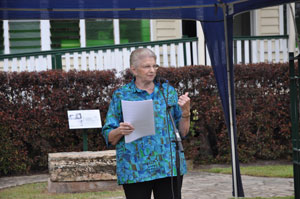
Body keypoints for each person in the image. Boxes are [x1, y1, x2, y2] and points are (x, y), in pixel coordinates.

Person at [102, 48, 190, 199]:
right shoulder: (121, 95)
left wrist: (186, 113)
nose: (152, 70)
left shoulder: (167, 91)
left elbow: (182, 133)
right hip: (135, 169)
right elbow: (109, 136)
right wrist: (119, 131)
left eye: (154, 66)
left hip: (168, 166)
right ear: (134, 70)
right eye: (146, 66)